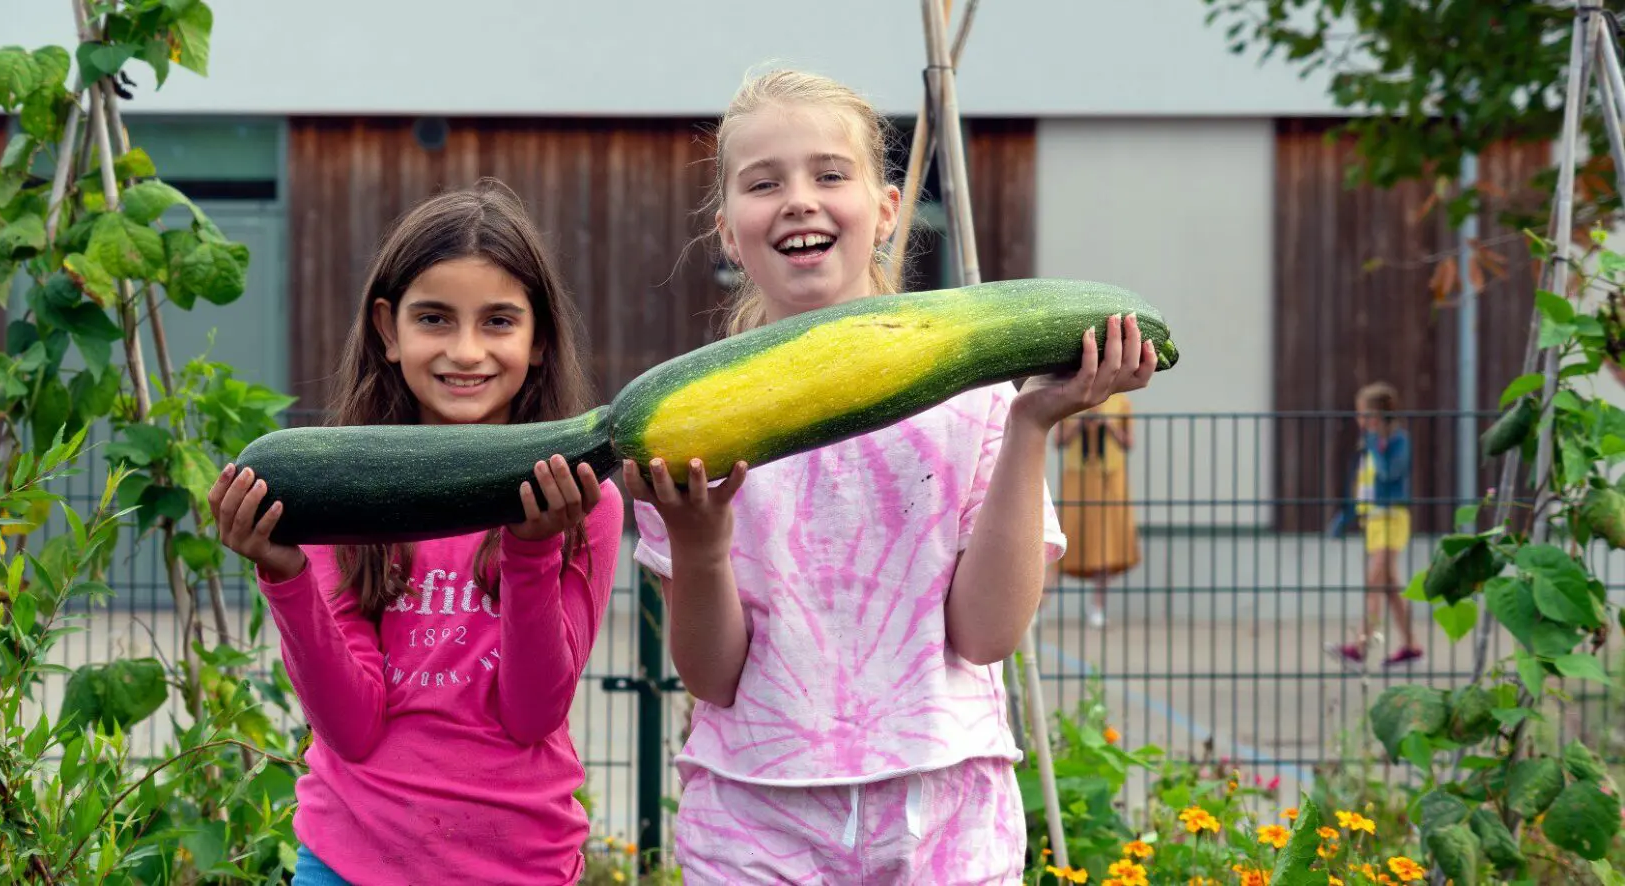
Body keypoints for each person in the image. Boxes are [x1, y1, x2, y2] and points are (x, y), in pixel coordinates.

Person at [622, 69, 1157, 884]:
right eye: (764, 184)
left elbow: (985, 637)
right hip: (756, 821)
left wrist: (1030, 424)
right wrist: (701, 547)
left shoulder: (977, 399)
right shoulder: (693, 427)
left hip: (947, 812)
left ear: (887, 211)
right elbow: (713, 678)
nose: (799, 199)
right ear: (729, 231)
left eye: (830, 174)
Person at [207, 181, 623, 885]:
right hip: (347, 863)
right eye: (434, 319)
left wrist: (530, 549)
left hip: (520, 866)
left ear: (540, 339)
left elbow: (531, 715)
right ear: (387, 330)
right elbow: (351, 727)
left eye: (498, 322)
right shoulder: (337, 498)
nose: (466, 351)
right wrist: (285, 574)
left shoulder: (586, 506)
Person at [1328, 381, 1421, 666]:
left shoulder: (1398, 441)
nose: (1360, 421)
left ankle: (1360, 644)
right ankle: (1411, 645)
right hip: (1374, 519)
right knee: (1391, 587)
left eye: (1364, 414)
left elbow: (1389, 473)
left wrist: (1374, 446)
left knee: (1374, 581)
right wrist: (1349, 514)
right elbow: (1365, 484)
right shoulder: (1369, 444)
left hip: (1393, 516)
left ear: (1378, 416)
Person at [1054, 391, 1142, 628]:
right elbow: (1058, 441)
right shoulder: (1071, 398)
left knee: (1106, 543)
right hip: (1078, 477)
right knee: (1060, 538)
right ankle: (1040, 605)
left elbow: (1128, 443)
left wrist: (1109, 426)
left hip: (1108, 478)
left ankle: (1098, 607)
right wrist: (1080, 424)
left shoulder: (1120, 401)